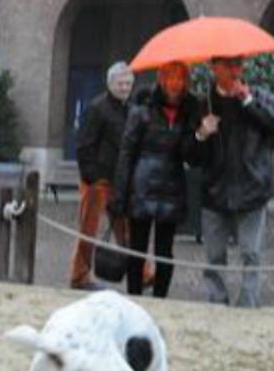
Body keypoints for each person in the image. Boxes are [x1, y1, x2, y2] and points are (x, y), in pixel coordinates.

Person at [186, 56, 274, 308]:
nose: (235, 70)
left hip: (251, 188)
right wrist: (201, 133)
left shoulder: (259, 96)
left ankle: (249, 302)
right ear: (214, 68)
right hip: (215, 190)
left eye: (238, 65)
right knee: (214, 256)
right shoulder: (204, 104)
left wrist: (248, 102)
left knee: (251, 253)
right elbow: (190, 155)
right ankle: (217, 300)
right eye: (228, 65)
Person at [111, 62, 201, 298]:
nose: (175, 84)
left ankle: (161, 297)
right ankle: (134, 295)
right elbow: (127, 152)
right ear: (161, 79)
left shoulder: (190, 112)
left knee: (165, 251)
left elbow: (190, 155)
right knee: (137, 249)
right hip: (142, 184)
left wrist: (200, 134)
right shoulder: (142, 109)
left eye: (180, 79)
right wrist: (119, 193)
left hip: (171, 185)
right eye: (170, 78)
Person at [69, 62, 153, 290]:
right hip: (98, 181)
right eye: (121, 83)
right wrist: (92, 177)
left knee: (127, 229)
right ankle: (79, 275)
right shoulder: (97, 108)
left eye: (128, 83)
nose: (125, 87)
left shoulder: (132, 110)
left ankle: (142, 273)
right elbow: (84, 144)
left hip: (121, 180)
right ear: (110, 84)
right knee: (89, 228)